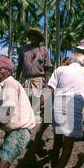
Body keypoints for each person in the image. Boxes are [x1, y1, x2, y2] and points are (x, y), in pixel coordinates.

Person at [16, 27, 52, 159]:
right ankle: (23, 137)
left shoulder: (44, 50)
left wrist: (47, 85)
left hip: (39, 81)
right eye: (31, 35)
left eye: (35, 35)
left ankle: (36, 139)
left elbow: (47, 69)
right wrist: (16, 81)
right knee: (24, 110)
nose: (32, 37)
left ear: (39, 38)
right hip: (25, 81)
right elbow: (19, 66)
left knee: (38, 111)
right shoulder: (24, 49)